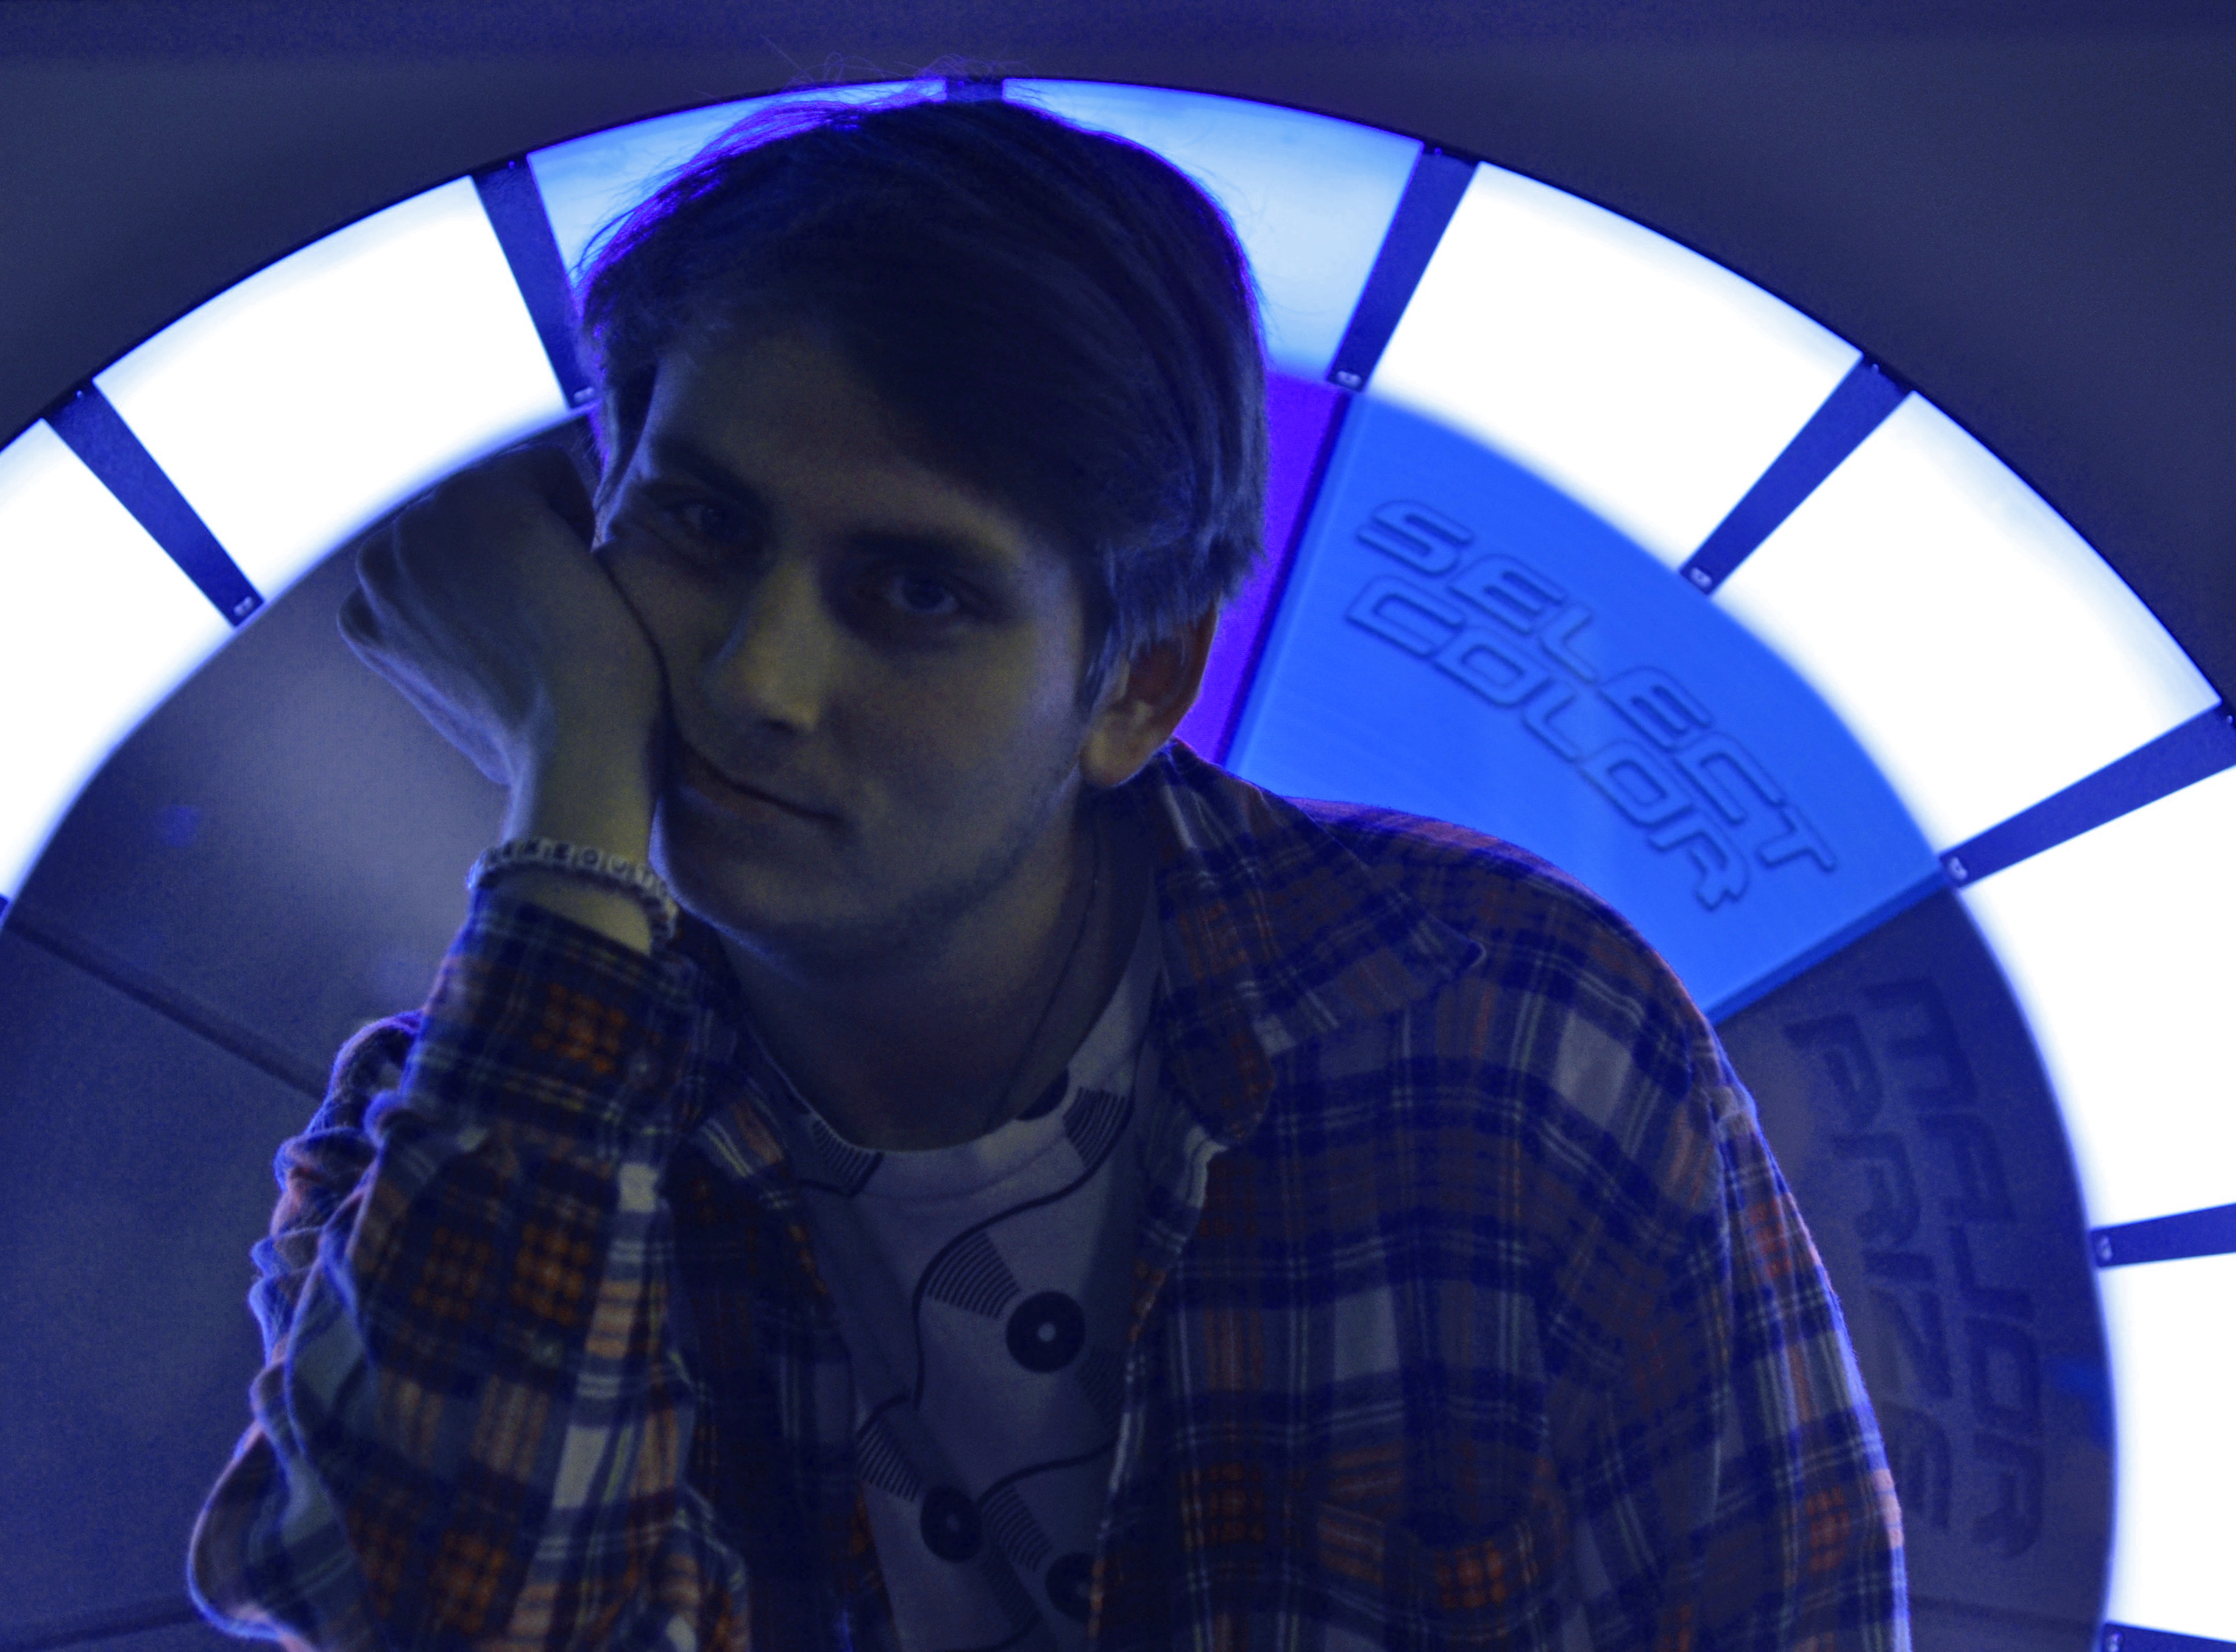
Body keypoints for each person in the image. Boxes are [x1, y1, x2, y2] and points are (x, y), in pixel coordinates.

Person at [188, 86, 1906, 1651]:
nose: (756, 680)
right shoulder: (460, 1137)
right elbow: (434, 1620)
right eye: (702, 526)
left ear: (1138, 684)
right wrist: (569, 770)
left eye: (915, 591)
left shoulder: (1511, 1033)